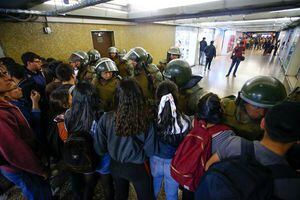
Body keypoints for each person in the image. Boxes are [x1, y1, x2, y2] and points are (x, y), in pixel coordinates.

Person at [204, 101, 300, 200]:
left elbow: (208, 167)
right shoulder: (293, 185)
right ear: (298, 140)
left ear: (263, 124)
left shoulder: (234, 144)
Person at [93, 78, 156, 200]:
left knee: (120, 195)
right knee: (146, 196)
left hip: (116, 166)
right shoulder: (146, 120)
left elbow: (99, 148)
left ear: (116, 96)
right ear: (139, 97)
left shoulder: (106, 118)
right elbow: (150, 150)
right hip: (138, 167)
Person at [0, 64, 52, 200]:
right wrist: (39, 169)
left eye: (5, 73)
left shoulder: (8, 105)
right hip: (23, 167)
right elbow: (15, 150)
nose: (8, 78)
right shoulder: (2, 114)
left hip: (27, 163)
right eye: (1, 76)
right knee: (37, 193)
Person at [64, 81, 113, 200]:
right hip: (102, 155)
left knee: (89, 184)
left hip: (84, 155)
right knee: (107, 185)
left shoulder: (68, 114)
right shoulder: (102, 115)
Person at [150, 80, 191, 200]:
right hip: (173, 164)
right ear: (176, 97)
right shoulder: (185, 121)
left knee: (154, 188)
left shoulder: (151, 118)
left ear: (157, 97)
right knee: (172, 194)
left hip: (155, 160)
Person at [221, 76, 287, 141]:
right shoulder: (225, 108)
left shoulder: (273, 125)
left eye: (268, 109)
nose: (262, 113)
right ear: (244, 102)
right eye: (257, 107)